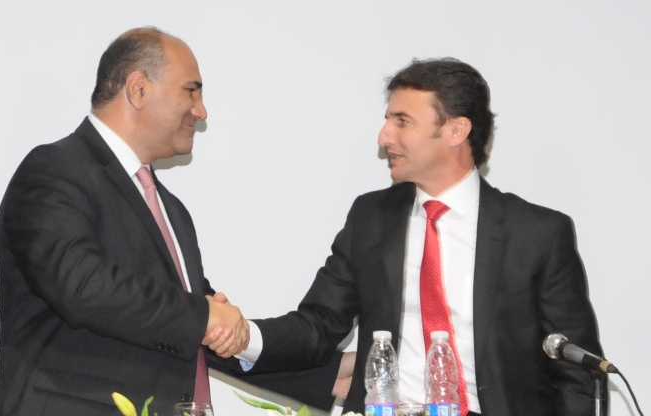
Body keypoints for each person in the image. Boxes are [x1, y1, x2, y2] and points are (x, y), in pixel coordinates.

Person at [0, 27, 345, 416]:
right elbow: (82, 285)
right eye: (191, 91)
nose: (201, 111)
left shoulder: (170, 209)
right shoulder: (54, 170)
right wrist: (205, 316)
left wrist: (332, 374)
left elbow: (194, 331)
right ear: (138, 89)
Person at [222, 58, 606, 416]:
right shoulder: (372, 218)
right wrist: (242, 335)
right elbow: (318, 325)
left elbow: (575, 369)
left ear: (456, 130)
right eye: (388, 120)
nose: (384, 136)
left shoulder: (536, 234)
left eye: (402, 121)